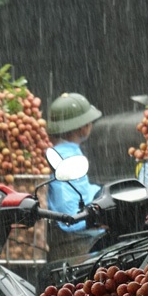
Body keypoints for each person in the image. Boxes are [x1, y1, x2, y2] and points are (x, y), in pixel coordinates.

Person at [45, 92, 106, 261]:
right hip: (74, 242)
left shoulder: (65, 151)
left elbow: (80, 190)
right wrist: (95, 221)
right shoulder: (68, 157)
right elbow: (69, 212)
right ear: (82, 127)